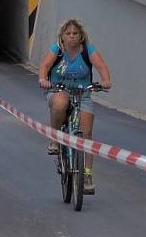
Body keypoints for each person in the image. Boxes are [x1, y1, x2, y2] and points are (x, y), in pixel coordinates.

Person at [38, 18, 112, 195]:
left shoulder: (87, 50)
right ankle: (55, 138)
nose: (71, 37)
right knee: (60, 102)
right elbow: (45, 65)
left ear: (81, 37)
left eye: (75, 34)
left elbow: (101, 67)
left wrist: (106, 81)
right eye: (68, 33)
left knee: (86, 132)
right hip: (59, 90)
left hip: (82, 93)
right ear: (62, 37)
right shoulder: (57, 49)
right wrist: (43, 79)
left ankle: (87, 175)